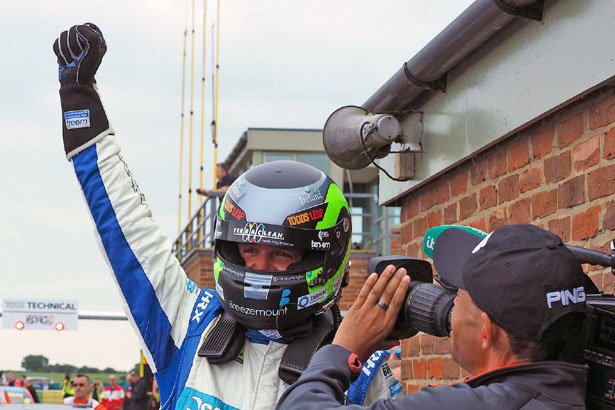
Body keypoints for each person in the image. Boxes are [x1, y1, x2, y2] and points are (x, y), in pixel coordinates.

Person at [52, 23, 398, 410]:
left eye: (282, 253)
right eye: (249, 249)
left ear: (323, 257)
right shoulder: (190, 323)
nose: (259, 267)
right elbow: (126, 229)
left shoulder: (361, 366)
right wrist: (79, 102)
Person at [277, 224, 592, 409]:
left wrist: (343, 348)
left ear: (487, 330)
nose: (449, 304)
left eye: (458, 296)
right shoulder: (579, 388)